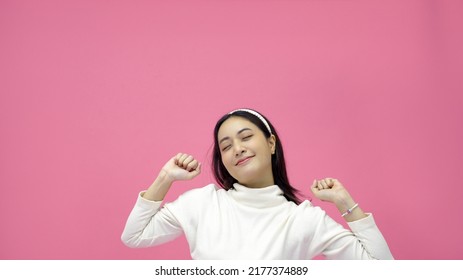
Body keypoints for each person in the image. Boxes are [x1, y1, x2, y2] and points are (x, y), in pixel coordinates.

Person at [121, 108, 394, 259]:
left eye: (246, 137)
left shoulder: (303, 219)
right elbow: (134, 236)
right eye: (226, 146)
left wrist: (346, 204)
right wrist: (165, 177)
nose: (237, 149)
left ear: (271, 142)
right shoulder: (203, 203)